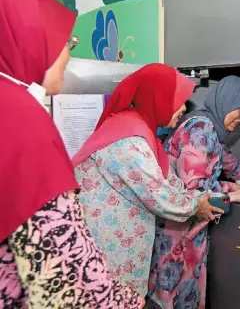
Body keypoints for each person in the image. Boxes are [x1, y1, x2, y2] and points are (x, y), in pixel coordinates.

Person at [0, 0, 143, 308]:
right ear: (30, 36)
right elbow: (63, 273)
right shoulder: (18, 117)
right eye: (65, 43)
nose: (67, 55)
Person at [72, 64, 222, 298]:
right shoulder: (130, 140)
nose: (183, 108)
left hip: (117, 246)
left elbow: (167, 181)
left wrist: (199, 198)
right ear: (159, 97)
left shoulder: (141, 131)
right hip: (104, 249)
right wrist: (196, 206)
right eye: (178, 100)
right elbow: (158, 194)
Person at [149, 75, 240, 309]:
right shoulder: (200, 131)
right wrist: (235, 189)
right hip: (178, 233)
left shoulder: (208, 129)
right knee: (172, 296)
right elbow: (195, 191)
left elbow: (236, 168)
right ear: (226, 101)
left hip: (188, 231)